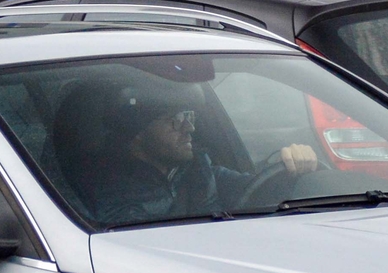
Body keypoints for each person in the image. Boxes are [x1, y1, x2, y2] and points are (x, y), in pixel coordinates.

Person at [74, 77, 317, 225]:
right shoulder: (107, 194)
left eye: (189, 116)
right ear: (138, 132)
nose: (190, 128)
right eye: (176, 120)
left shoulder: (199, 170)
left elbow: (255, 188)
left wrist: (292, 165)